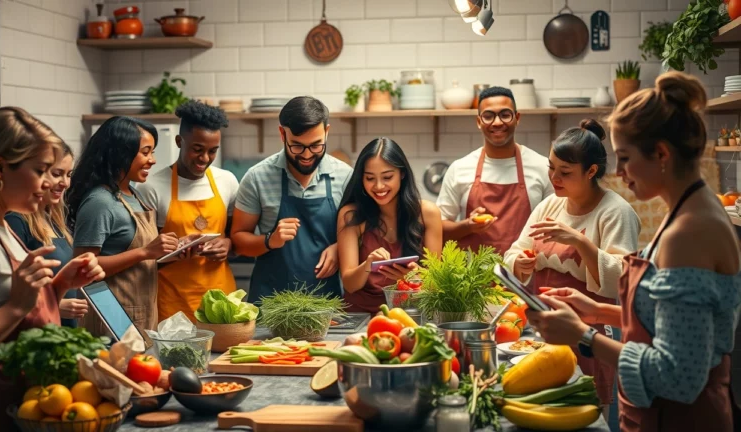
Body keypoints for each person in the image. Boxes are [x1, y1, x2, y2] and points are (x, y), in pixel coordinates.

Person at [525, 72, 741, 432]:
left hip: (678, 420)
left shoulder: (689, 232)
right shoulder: (689, 212)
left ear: (661, 154)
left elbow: (677, 374)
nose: (619, 173)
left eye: (624, 158)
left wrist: (584, 334)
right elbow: (668, 322)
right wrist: (598, 311)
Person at [0, 107, 104, 430]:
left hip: (29, 405)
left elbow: (16, 303)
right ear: (0, 168)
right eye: (41, 170)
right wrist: (18, 304)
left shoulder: (2, 225)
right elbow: (15, 305)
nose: (49, 184)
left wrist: (58, 285)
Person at [504, 119, 641, 409]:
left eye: (565, 172)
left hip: (589, 336)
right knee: (545, 407)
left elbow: (623, 279)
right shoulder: (549, 205)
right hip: (542, 332)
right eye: (551, 167)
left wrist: (580, 242)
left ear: (591, 171)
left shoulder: (615, 212)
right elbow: (515, 251)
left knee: (584, 410)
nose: (554, 177)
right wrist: (521, 264)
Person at [231, 96, 353, 304]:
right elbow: (239, 240)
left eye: (316, 146)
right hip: (271, 305)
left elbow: (362, 233)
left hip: (326, 306)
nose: (307, 155)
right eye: (297, 146)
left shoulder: (345, 176)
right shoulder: (257, 177)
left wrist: (339, 248)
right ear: (282, 133)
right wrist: (270, 240)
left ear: (327, 131)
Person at [67, 116, 181, 332]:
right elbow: (83, 268)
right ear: (120, 153)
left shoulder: (133, 195)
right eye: (145, 152)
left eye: (152, 152)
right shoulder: (100, 202)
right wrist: (146, 252)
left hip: (140, 312)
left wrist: (174, 251)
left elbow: (138, 259)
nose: (153, 160)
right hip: (112, 315)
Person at [138, 101, 240, 322]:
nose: (204, 159)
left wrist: (228, 245)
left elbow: (236, 237)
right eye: (197, 149)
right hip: (173, 304)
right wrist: (174, 254)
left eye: (212, 151)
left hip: (223, 302)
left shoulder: (227, 181)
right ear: (178, 141)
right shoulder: (151, 188)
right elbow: (143, 258)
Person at [436, 87, 553, 256]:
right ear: (479, 121)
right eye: (488, 116)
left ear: (517, 118)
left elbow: (556, 225)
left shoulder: (542, 167)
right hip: (473, 279)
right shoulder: (460, 168)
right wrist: (468, 225)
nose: (497, 122)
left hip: (525, 278)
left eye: (505, 114)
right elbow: (440, 228)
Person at [337, 137, 442, 314]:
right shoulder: (351, 216)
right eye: (370, 178)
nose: (378, 186)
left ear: (402, 174)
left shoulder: (428, 214)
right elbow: (349, 284)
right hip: (360, 317)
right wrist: (368, 264)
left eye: (387, 177)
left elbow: (436, 284)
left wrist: (412, 277)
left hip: (410, 316)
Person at [6, 142, 86, 327]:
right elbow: (6, 292)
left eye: (68, 175)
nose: (65, 183)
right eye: (57, 174)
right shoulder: (17, 222)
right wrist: (55, 304)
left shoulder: (55, 220)